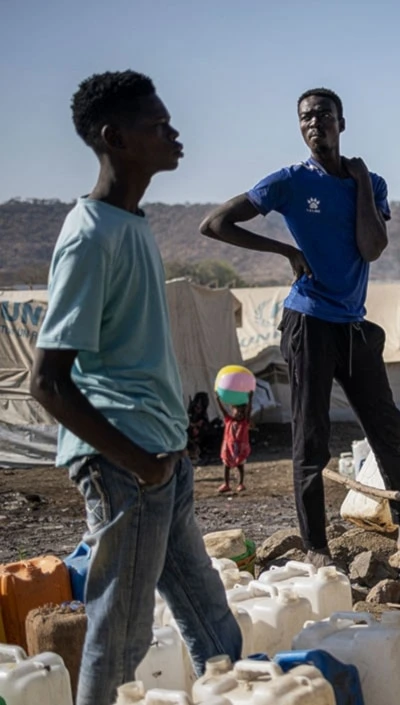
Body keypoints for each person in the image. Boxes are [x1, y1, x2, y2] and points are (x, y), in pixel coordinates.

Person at [29, 71, 242, 705]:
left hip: (159, 459)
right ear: (114, 138)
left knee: (211, 623)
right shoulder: (90, 237)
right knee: (120, 639)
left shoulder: (131, 223)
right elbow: (47, 380)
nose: (174, 134)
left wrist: (165, 458)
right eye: (158, 125)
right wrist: (140, 464)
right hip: (127, 465)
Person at [200, 88, 400, 560]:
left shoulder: (372, 183)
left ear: (342, 123)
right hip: (308, 320)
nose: (313, 123)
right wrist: (284, 251)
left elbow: (372, 248)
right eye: (304, 117)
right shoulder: (290, 182)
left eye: (323, 114)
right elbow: (216, 223)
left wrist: (360, 181)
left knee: (386, 426)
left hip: (353, 325)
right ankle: (317, 546)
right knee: (311, 435)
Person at [215, 391, 252, 493]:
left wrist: (250, 398)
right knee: (226, 466)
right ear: (232, 411)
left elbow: (249, 411)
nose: (240, 414)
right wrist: (218, 400)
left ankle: (241, 483)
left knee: (240, 466)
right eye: (237, 411)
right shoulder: (229, 420)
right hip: (228, 447)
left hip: (240, 448)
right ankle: (226, 484)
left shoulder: (244, 422)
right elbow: (223, 411)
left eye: (242, 412)